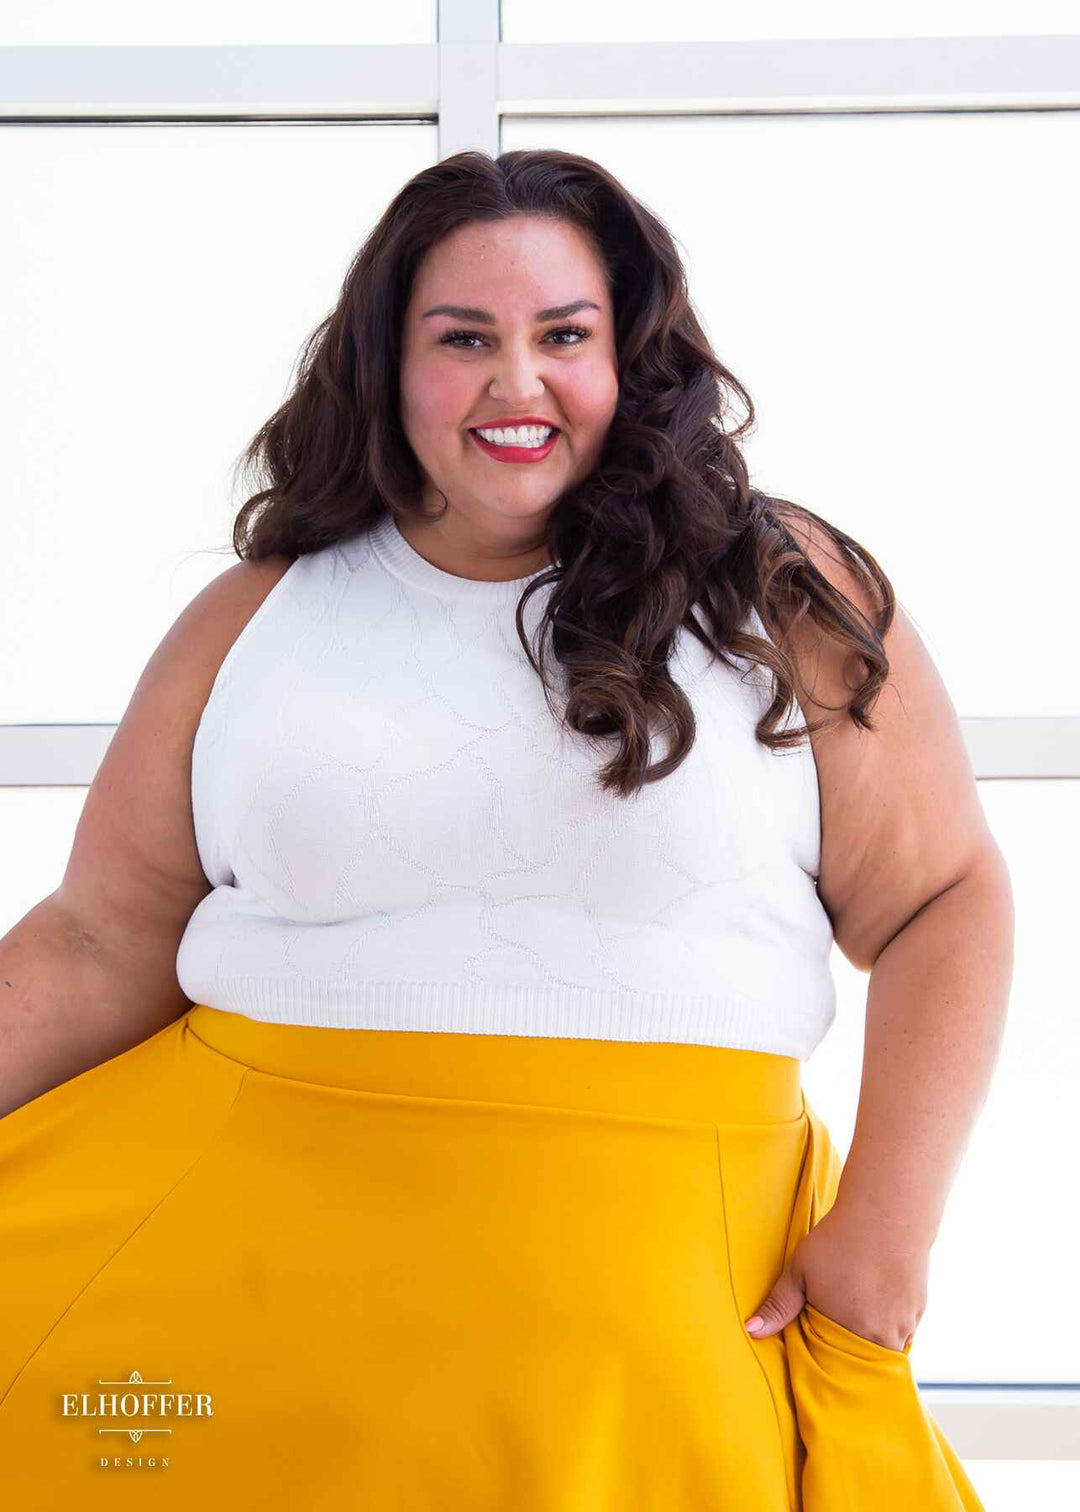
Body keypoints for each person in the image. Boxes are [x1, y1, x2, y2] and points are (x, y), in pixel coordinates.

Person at [0, 148, 1011, 1508]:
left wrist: (886, 1238)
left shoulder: (777, 595)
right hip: (241, 1275)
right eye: (462, 338)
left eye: (564, 337)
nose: (514, 382)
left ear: (632, 357)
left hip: (656, 1316)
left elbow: (946, 898)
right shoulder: (253, 619)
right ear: (386, 363)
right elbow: (96, 941)